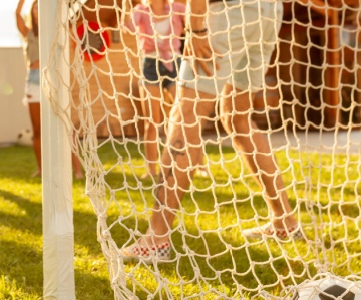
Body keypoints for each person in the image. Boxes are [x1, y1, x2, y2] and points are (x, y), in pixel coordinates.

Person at [121, 0, 302, 263]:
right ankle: (284, 220)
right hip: (269, 12)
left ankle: (156, 238)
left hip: (229, 13)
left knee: (186, 114)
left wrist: (196, 29)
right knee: (238, 118)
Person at [16, 0, 84, 179]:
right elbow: (17, 14)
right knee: (37, 129)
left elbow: (73, 45)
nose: (39, 10)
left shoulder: (57, 31)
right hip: (33, 81)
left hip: (54, 79)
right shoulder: (29, 33)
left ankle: (77, 170)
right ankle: (41, 168)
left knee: (65, 126)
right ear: (33, 12)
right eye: (37, 7)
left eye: (42, 6)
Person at [124, 0, 186, 178]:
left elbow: (195, 22)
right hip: (150, 64)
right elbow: (129, 27)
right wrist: (124, 11)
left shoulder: (177, 8)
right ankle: (151, 170)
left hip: (174, 63)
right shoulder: (141, 11)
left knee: (183, 116)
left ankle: (196, 164)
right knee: (152, 121)